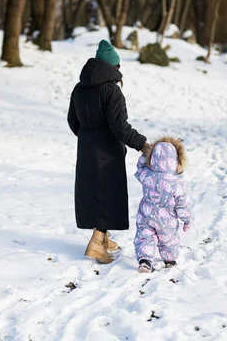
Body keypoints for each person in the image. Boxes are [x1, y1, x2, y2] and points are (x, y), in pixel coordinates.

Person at [68, 39, 151, 264]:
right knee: (106, 194)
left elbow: (72, 121)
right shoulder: (111, 91)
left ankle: (104, 238)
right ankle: (96, 242)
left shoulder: (79, 88)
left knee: (93, 192)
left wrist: (88, 138)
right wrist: (143, 145)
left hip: (86, 148)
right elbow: (119, 126)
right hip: (108, 150)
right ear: (113, 67)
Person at [133, 136, 192, 273]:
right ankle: (169, 258)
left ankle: (145, 260)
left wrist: (145, 156)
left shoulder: (147, 175)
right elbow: (182, 205)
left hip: (146, 215)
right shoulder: (177, 184)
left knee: (144, 236)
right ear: (176, 161)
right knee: (168, 240)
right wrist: (186, 220)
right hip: (167, 220)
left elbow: (140, 167)